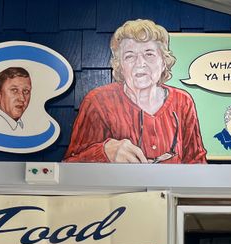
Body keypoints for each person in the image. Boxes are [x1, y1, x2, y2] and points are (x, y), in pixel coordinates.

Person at [63, 19, 207, 164]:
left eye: (149, 54)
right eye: (130, 56)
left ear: (164, 62)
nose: (140, 63)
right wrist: (104, 152)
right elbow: (69, 165)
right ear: (120, 66)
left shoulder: (182, 101)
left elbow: (197, 162)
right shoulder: (98, 101)